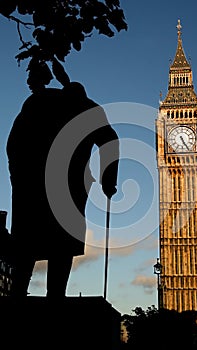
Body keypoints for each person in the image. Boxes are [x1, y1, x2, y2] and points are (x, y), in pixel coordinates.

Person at [6, 81, 119, 298]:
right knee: (62, 243)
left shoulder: (36, 102)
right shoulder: (89, 109)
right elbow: (110, 141)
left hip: (32, 184)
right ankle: (55, 295)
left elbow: (13, 143)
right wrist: (108, 180)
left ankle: (18, 293)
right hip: (67, 185)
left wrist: (19, 176)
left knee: (28, 240)